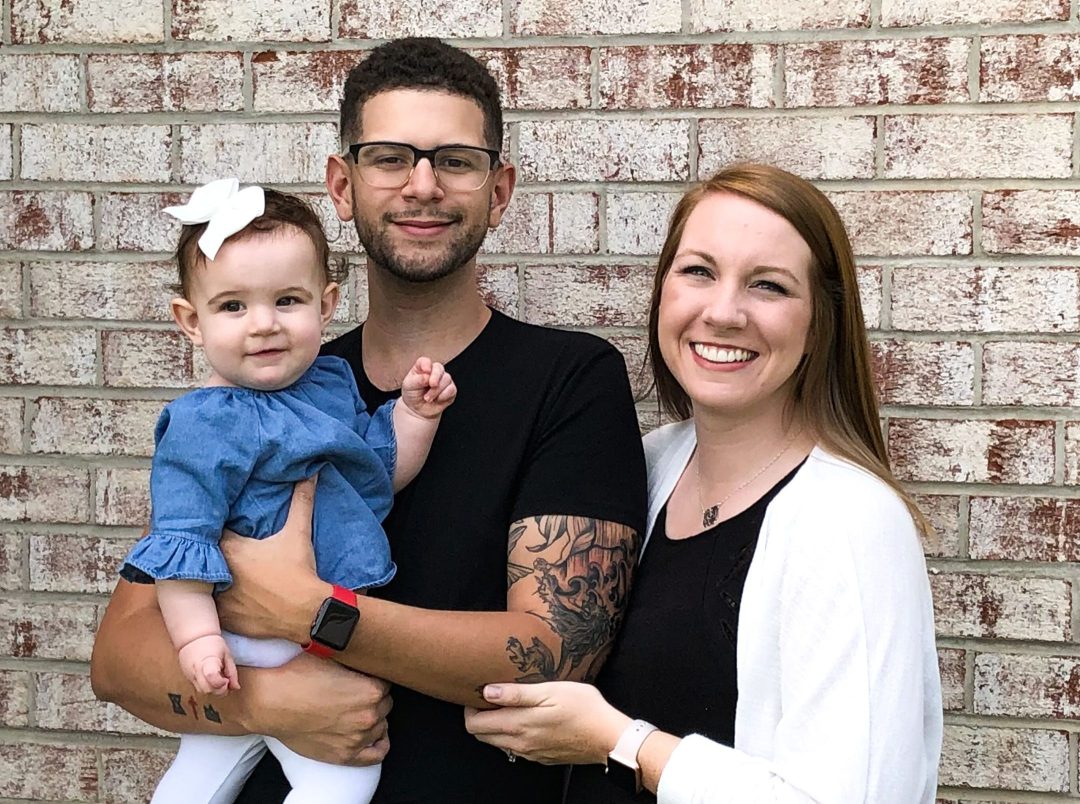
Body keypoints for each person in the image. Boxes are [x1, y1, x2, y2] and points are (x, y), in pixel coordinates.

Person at [90, 37, 648, 804]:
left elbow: (561, 654)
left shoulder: (568, 380)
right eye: (389, 157)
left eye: (455, 159)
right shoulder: (267, 388)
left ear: (501, 187)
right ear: (343, 185)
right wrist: (268, 702)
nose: (422, 185)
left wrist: (312, 614)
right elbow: (118, 660)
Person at [464, 163, 943, 803]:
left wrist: (623, 742)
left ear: (820, 320)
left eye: (768, 286)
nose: (723, 312)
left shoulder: (849, 522)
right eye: (698, 271)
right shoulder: (651, 464)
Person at [116, 180, 455, 803]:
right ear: (191, 321)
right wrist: (197, 642)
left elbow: (377, 476)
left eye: (288, 300)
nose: (265, 324)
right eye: (233, 306)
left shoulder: (331, 385)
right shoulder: (204, 424)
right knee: (200, 781)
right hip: (235, 645)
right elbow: (182, 541)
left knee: (345, 779)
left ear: (326, 306)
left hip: (325, 640)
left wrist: (415, 417)